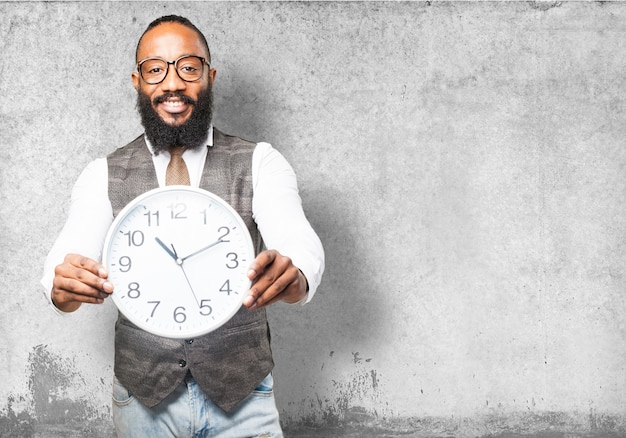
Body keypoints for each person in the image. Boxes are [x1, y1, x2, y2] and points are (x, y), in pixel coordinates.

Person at [41, 15, 324, 438]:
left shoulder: (260, 162)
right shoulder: (103, 173)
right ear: (138, 81)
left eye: (188, 67)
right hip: (143, 401)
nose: (172, 83)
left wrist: (296, 273)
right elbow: (67, 257)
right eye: (156, 69)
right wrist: (61, 285)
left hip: (244, 397)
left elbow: (296, 237)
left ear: (208, 77)